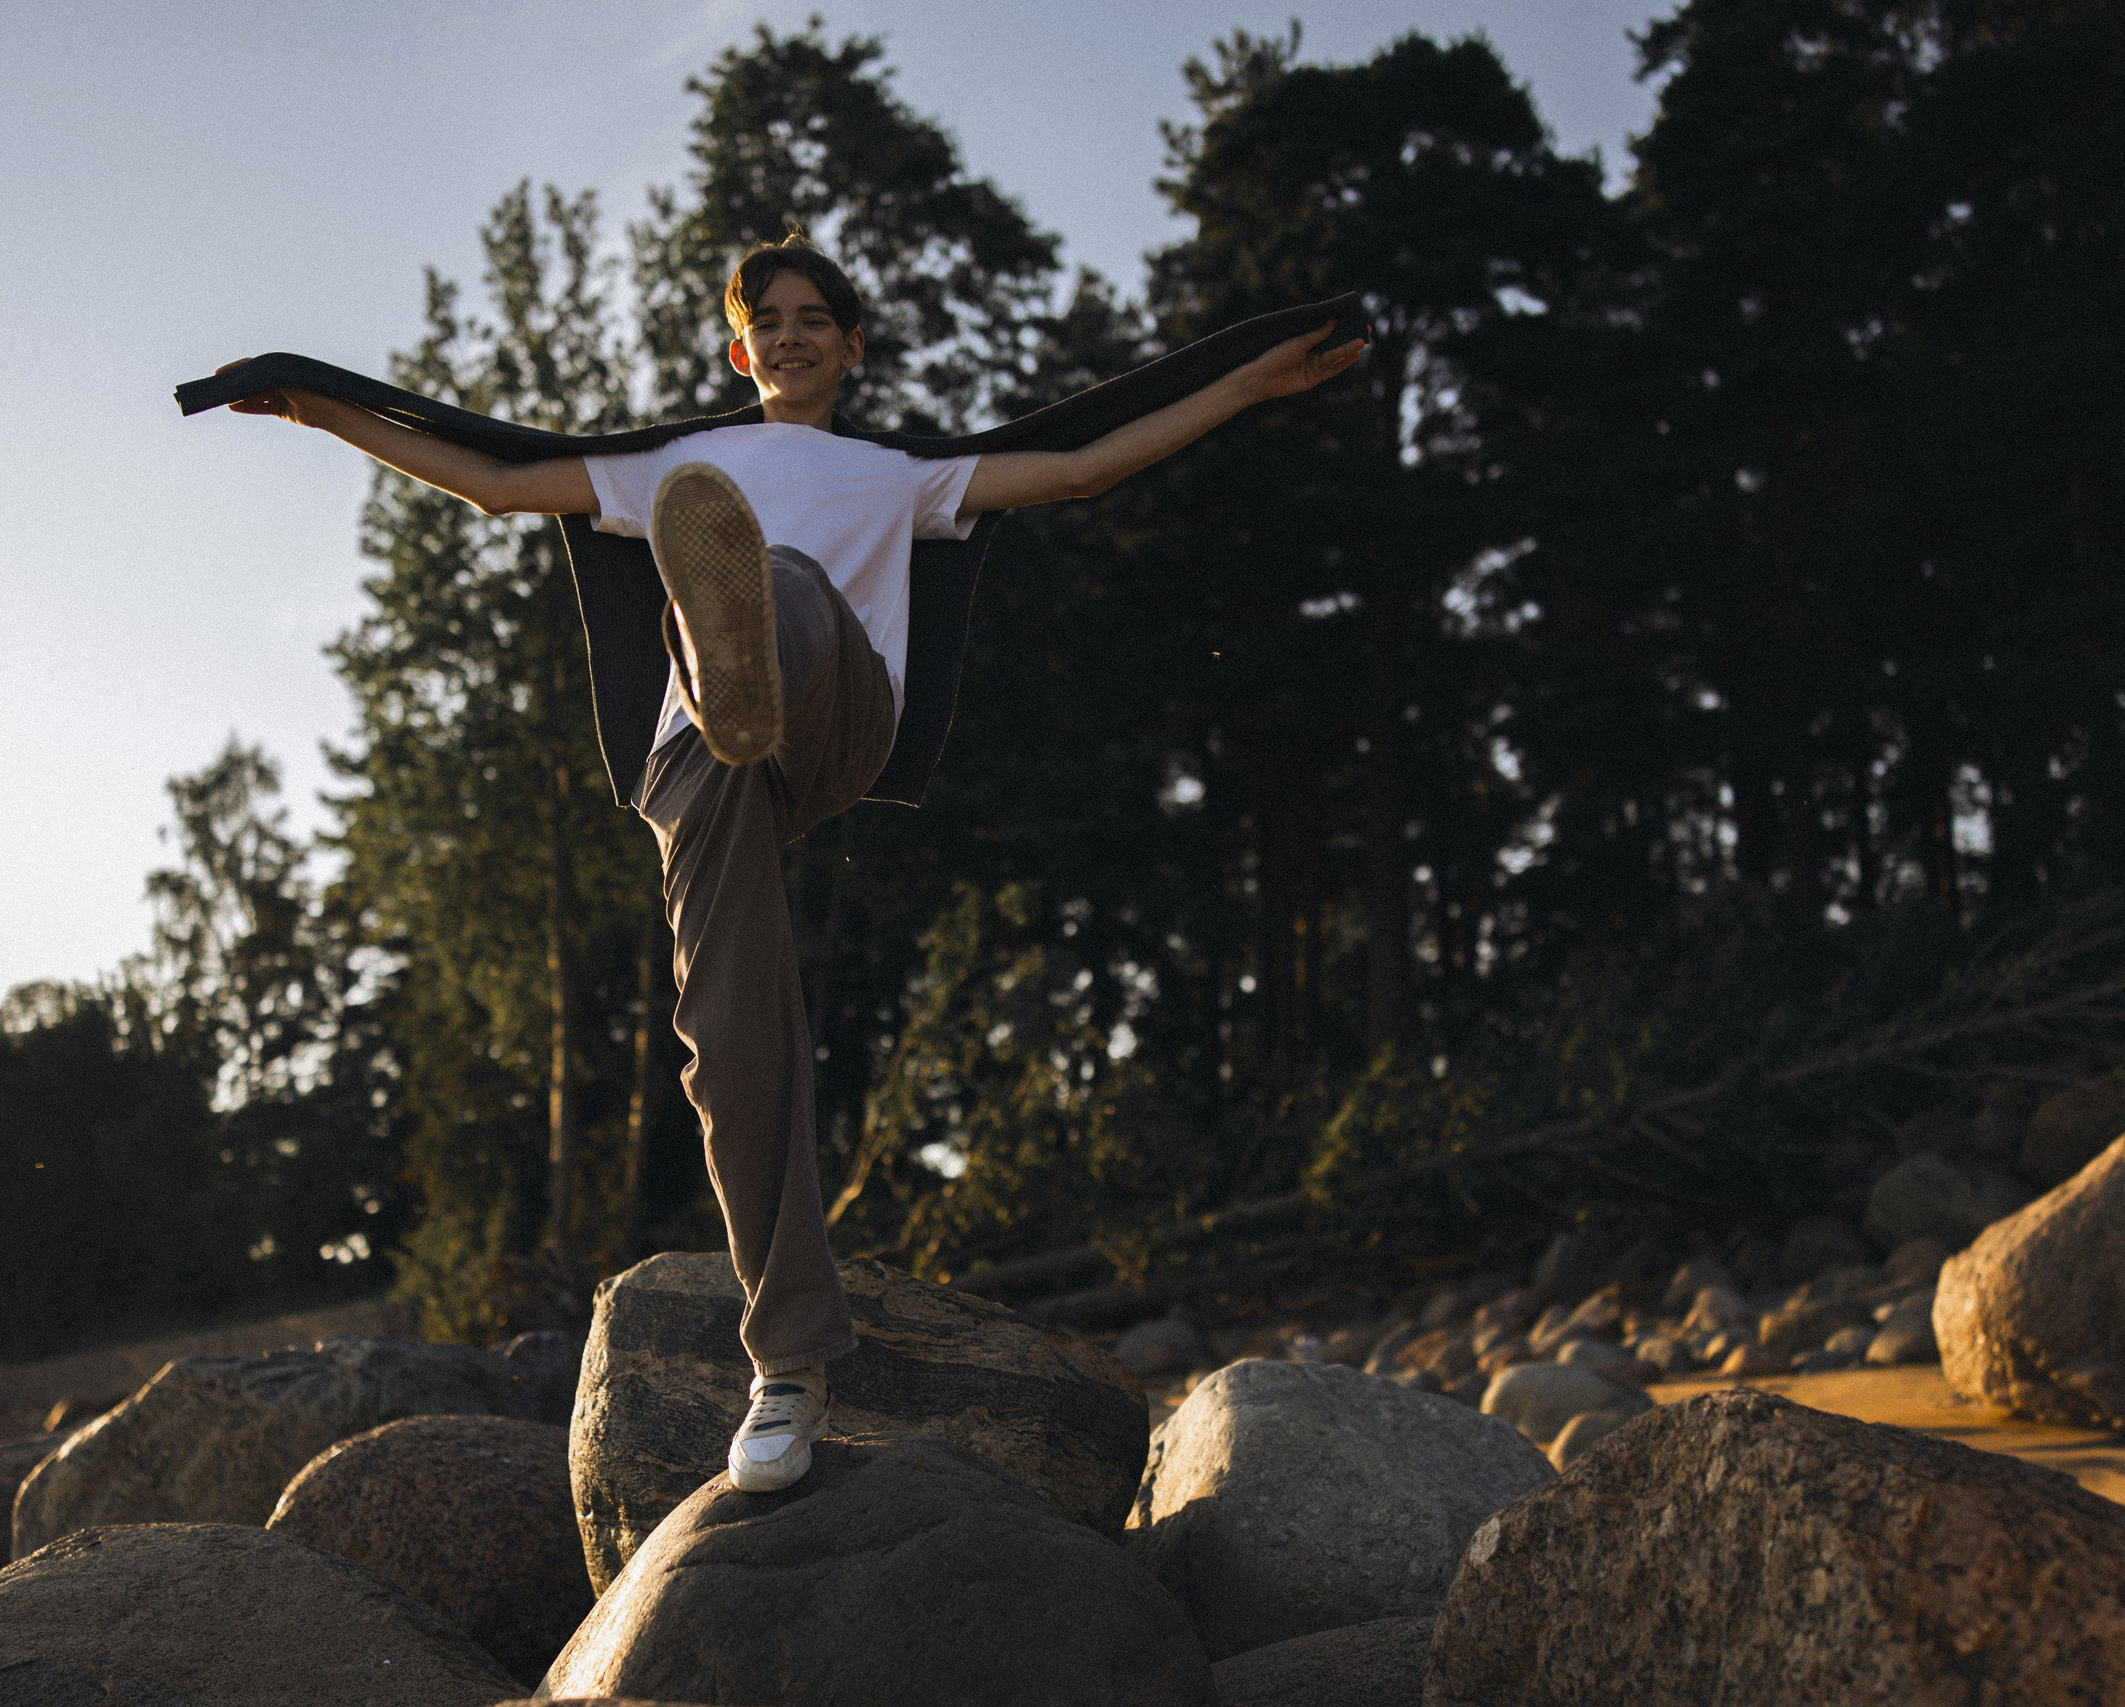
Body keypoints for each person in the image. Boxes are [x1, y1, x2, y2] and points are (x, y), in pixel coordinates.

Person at [216, 235, 1365, 1492]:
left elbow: (1084, 465)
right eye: (769, 318)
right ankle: (791, 1366)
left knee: (780, 578)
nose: (794, 332)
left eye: (818, 317)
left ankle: (743, 649)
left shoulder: (896, 476)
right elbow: (489, 480)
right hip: (699, 769)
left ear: (853, 348)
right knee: (727, 1038)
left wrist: (1242, 388)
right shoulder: (670, 462)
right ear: (739, 349)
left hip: (827, 721)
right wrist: (323, 410)